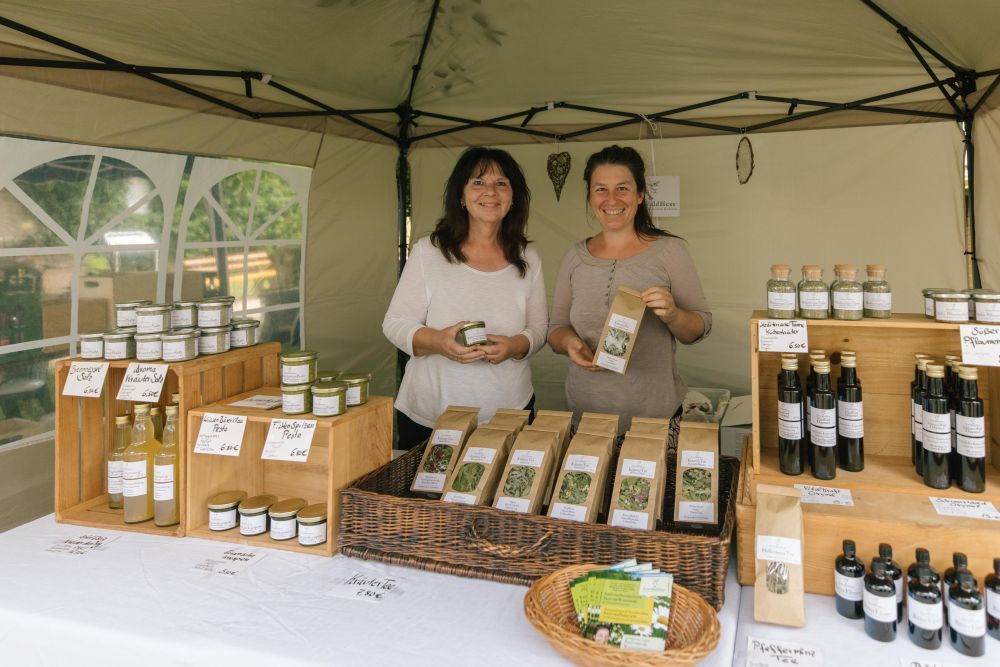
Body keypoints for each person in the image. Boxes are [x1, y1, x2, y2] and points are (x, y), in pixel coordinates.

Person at [383, 147, 548, 450]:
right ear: (460, 196)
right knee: (423, 498)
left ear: (513, 198)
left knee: (502, 498)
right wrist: (438, 342)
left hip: (509, 411)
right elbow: (394, 323)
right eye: (477, 182)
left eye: (501, 183)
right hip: (432, 414)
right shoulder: (428, 252)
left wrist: (514, 346)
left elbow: (539, 328)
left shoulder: (527, 257)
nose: (490, 192)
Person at [547, 145, 711, 431]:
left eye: (622, 188)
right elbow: (556, 328)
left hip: (654, 419)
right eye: (601, 189)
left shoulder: (669, 251)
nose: (611, 199)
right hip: (585, 416)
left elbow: (698, 328)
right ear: (589, 197)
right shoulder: (575, 256)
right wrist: (570, 344)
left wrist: (673, 314)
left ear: (640, 195)